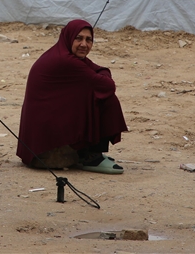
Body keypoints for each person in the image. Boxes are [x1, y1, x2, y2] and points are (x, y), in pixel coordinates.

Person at [16, 19, 128, 174]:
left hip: (38, 137)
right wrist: (103, 76)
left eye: (89, 40)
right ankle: (92, 157)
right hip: (43, 143)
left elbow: (100, 70)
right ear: (68, 38)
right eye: (79, 38)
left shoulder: (63, 53)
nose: (84, 44)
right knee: (106, 100)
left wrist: (102, 75)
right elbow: (107, 85)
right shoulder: (66, 60)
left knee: (91, 93)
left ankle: (86, 153)